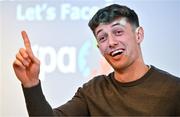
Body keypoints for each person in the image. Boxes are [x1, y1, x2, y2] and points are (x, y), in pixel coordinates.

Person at [13, 4, 180, 116]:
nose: (112, 42)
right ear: (99, 48)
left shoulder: (174, 90)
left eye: (118, 32)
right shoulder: (92, 92)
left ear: (139, 35)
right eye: (102, 37)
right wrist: (31, 84)